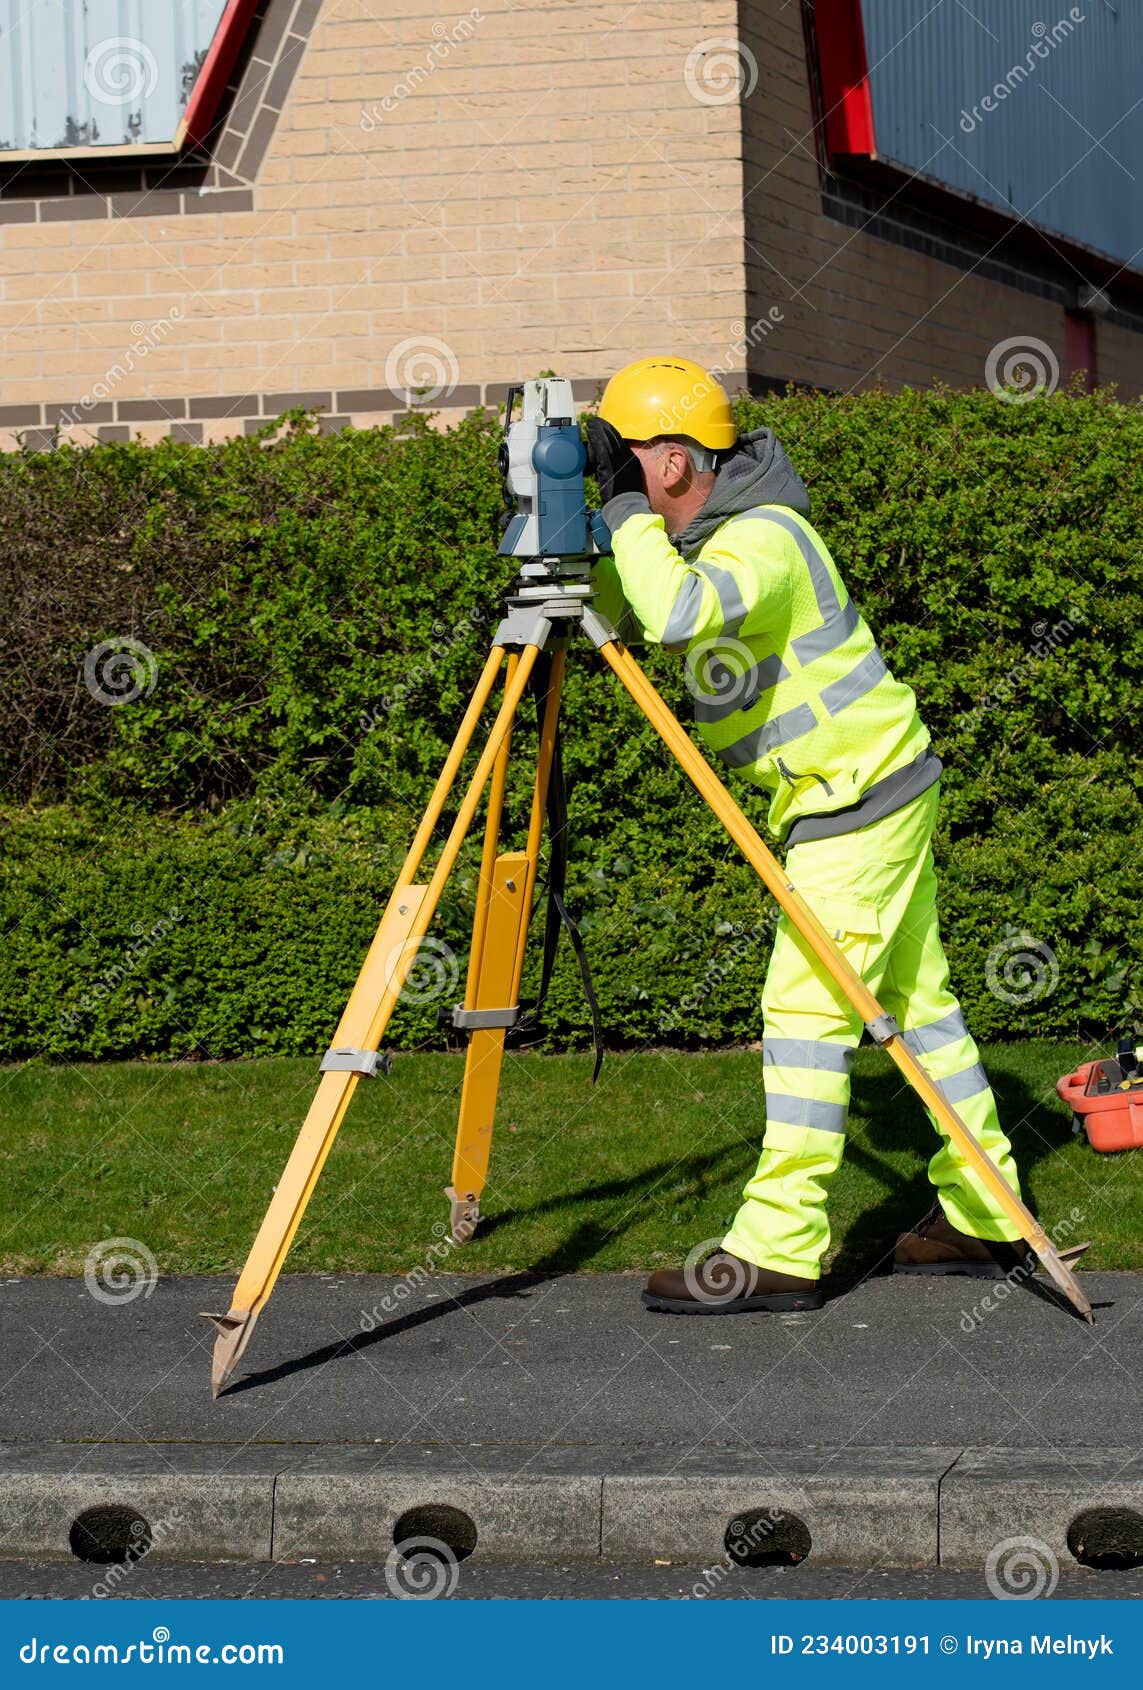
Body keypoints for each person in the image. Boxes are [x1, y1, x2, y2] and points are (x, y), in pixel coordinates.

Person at [585, 356, 1030, 1315]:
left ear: (668, 464)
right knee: (923, 1011)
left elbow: (675, 615)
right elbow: (626, 608)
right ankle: (985, 1212)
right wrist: (576, 549)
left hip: (854, 807)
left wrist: (618, 518)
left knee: (803, 1018)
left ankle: (780, 1248)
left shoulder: (763, 540)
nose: (610, 474)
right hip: (871, 792)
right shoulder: (716, 534)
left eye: (619, 459)